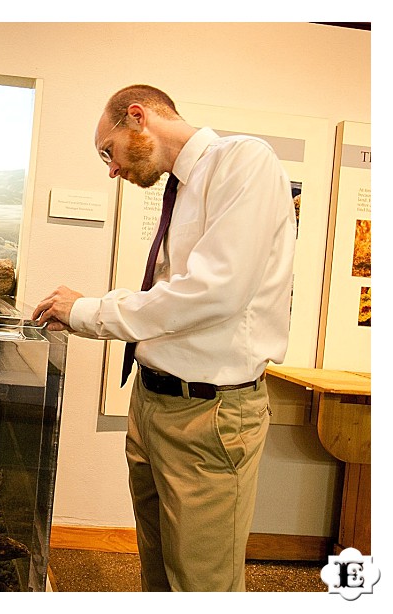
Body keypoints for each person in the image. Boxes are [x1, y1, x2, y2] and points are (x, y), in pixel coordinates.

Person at [33, 84, 296, 591]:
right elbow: (178, 296)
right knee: (160, 573)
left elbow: (213, 293)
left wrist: (90, 312)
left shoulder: (243, 162)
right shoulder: (186, 184)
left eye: (107, 152)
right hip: (153, 404)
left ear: (137, 117)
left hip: (208, 417)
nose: (111, 170)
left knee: (202, 584)